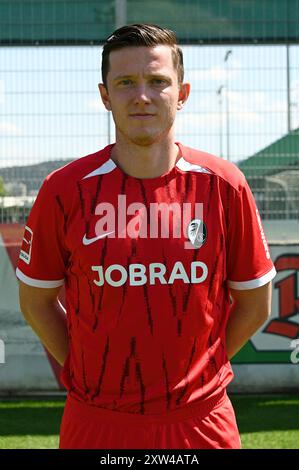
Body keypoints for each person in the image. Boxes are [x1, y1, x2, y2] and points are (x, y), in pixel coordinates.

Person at [17, 23, 276, 449]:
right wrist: (91, 373)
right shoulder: (63, 191)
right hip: (96, 422)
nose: (142, 96)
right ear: (105, 96)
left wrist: (199, 372)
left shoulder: (223, 185)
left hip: (201, 422)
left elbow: (254, 303)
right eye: (125, 83)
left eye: (158, 82)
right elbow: (36, 302)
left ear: (183, 93)